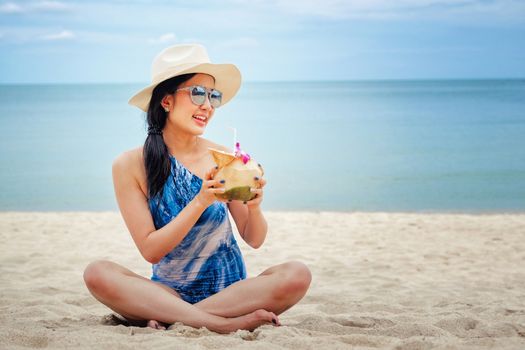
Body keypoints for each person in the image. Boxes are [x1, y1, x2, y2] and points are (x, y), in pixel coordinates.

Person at [83, 44, 311, 333]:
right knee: (97, 273)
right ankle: (221, 325)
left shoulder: (225, 157)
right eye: (197, 93)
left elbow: (254, 239)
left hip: (230, 294)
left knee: (297, 274)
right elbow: (150, 250)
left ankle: (180, 317)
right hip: (168, 294)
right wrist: (200, 201)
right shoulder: (129, 164)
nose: (207, 105)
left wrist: (254, 207)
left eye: (213, 96)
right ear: (166, 101)